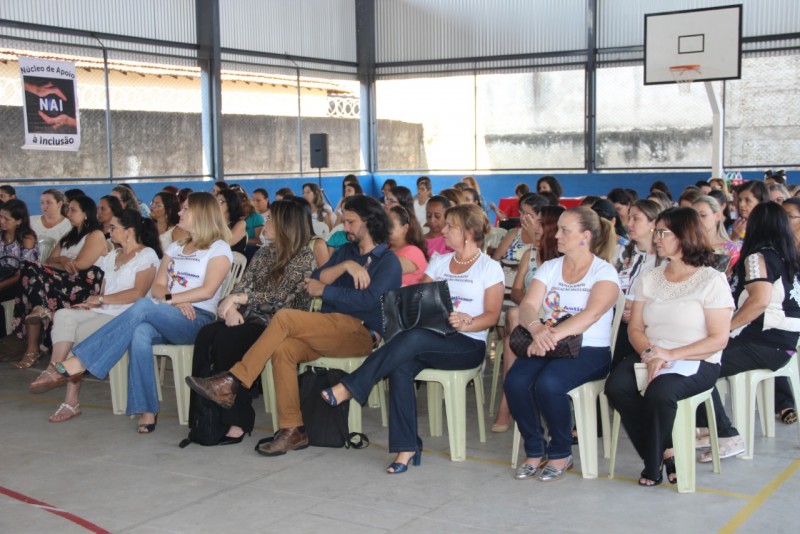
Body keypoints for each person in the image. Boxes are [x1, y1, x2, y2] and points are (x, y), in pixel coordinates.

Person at [186, 195, 401, 456]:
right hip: (328, 327)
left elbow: (368, 301)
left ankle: (235, 380)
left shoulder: (388, 262)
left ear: (370, 222)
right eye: (345, 221)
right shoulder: (346, 252)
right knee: (284, 348)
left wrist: (327, 291)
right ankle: (292, 430)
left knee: (285, 317)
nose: (345, 228)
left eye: (351, 222)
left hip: (361, 332)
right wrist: (346, 266)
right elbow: (315, 280)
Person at [320, 204, 504, 473]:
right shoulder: (440, 261)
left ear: (468, 232)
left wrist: (468, 322)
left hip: (467, 342)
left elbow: (492, 315)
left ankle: (350, 386)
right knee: (400, 366)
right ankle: (406, 448)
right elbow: (418, 298)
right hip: (429, 337)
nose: (444, 229)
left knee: (414, 339)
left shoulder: (489, 268)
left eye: (451, 226)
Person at [51, 193, 232, 433]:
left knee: (144, 306)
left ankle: (82, 359)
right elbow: (157, 286)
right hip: (166, 311)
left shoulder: (219, 248)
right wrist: (173, 302)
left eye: (185, 209)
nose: (179, 213)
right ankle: (147, 408)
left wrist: (171, 299)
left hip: (196, 319)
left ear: (200, 214)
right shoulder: (176, 246)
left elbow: (207, 291)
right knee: (140, 333)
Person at [604, 207, 734, 486]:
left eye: (663, 232)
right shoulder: (649, 278)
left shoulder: (712, 280)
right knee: (616, 387)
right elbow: (636, 328)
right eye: (656, 232)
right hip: (651, 352)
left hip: (698, 358)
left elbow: (718, 339)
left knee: (660, 392)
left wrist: (670, 355)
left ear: (685, 236)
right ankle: (667, 452)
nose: (657, 238)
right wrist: (651, 354)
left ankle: (652, 464)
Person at [505, 206, 620, 482]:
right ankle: (535, 449)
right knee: (515, 381)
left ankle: (560, 452)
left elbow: (590, 315)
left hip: (589, 350)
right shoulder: (550, 267)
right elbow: (529, 306)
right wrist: (535, 329)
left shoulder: (604, 273)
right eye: (557, 228)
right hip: (548, 343)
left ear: (585, 236)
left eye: (564, 230)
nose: (556, 235)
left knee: (549, 384)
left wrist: (549, 337)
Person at [190, 200, 315, 443]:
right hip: (251, 318)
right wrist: (233, 306)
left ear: (285, 225)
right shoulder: (264, 253)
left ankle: (238, 420)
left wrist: (238, 299)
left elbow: (280, 298)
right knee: (206, 335)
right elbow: (241, 285)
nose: (263, 223)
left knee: (229, 339)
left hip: (280, 325)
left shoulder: (304, 257)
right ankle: (204, 419)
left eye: (269, 219)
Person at [27, 210, 162, 422]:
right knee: (63, 315)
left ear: (129, 232)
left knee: (78, 332)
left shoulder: (147, 255)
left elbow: (137, 294)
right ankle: (54, 368)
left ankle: (69, 399)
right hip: (105, 309)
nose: (109, 232)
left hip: (127, 315)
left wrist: (100, 300)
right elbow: (105, 290)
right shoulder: (113, 256)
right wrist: (92, 302)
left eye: (113, 227)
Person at [695, 203, 800, 459]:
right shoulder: (787, 256)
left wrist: (722, 330)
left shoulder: (757, 258)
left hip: (763, 342)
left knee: (695, 363)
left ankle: (725, 434)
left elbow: (759, 301)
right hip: (782, 342)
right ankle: (709, 427)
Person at [12, 195, 108, 368]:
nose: (68, 214)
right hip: (62, 280)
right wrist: (63, 259)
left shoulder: (95, 235)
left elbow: (80, 265)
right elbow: (48, 261)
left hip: (83, 284)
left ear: (86, 213)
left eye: (73, 210)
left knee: (33, 276)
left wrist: (61, 261)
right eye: (68, 210)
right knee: (30, 272)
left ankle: (33, 347)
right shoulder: (68, 237)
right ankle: (37, 318)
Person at [493, 205, 564, 432]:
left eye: (540, 222)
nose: (534, 226)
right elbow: (515, 291)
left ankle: (507, 403)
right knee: (514, 320)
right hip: (528, 315)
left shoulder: (564, 261)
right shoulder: (529, 254)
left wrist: (536, 306)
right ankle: (510, 399)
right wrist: (532, 304)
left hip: (555, 321)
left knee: (513, 319)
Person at [612, 199, 661, 367]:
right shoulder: (619, 252)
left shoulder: (664, 259)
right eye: (629, 218)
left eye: (636, 218)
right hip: (614, 315)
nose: (629, 223)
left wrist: (638, 309)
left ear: (653, 223)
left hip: (647, 322)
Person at [0, 200, 38, 337]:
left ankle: (3, 338)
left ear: (18, 221)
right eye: (0, 217)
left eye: (6, 219)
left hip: (20, 282)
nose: (2, 221)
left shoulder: (27, 238)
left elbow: (24, 272)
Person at [692, 195, 740, 273]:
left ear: (717, 216)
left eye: (703, 215)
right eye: (694, 217)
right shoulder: (688, 246)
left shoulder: (731, 249)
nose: (698, 220)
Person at [387, 205, 428, 286]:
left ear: (405, 228)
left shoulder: (414, 252)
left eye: (390, 224)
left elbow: (384, 269)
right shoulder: (385, 247)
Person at [216, 188, 247, 254]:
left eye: (220, 202)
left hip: (233, 261)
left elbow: (227, 242)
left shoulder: (241, 224)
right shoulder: (215, 222)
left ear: (230, 203)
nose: (216, 205)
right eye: (215, 201)